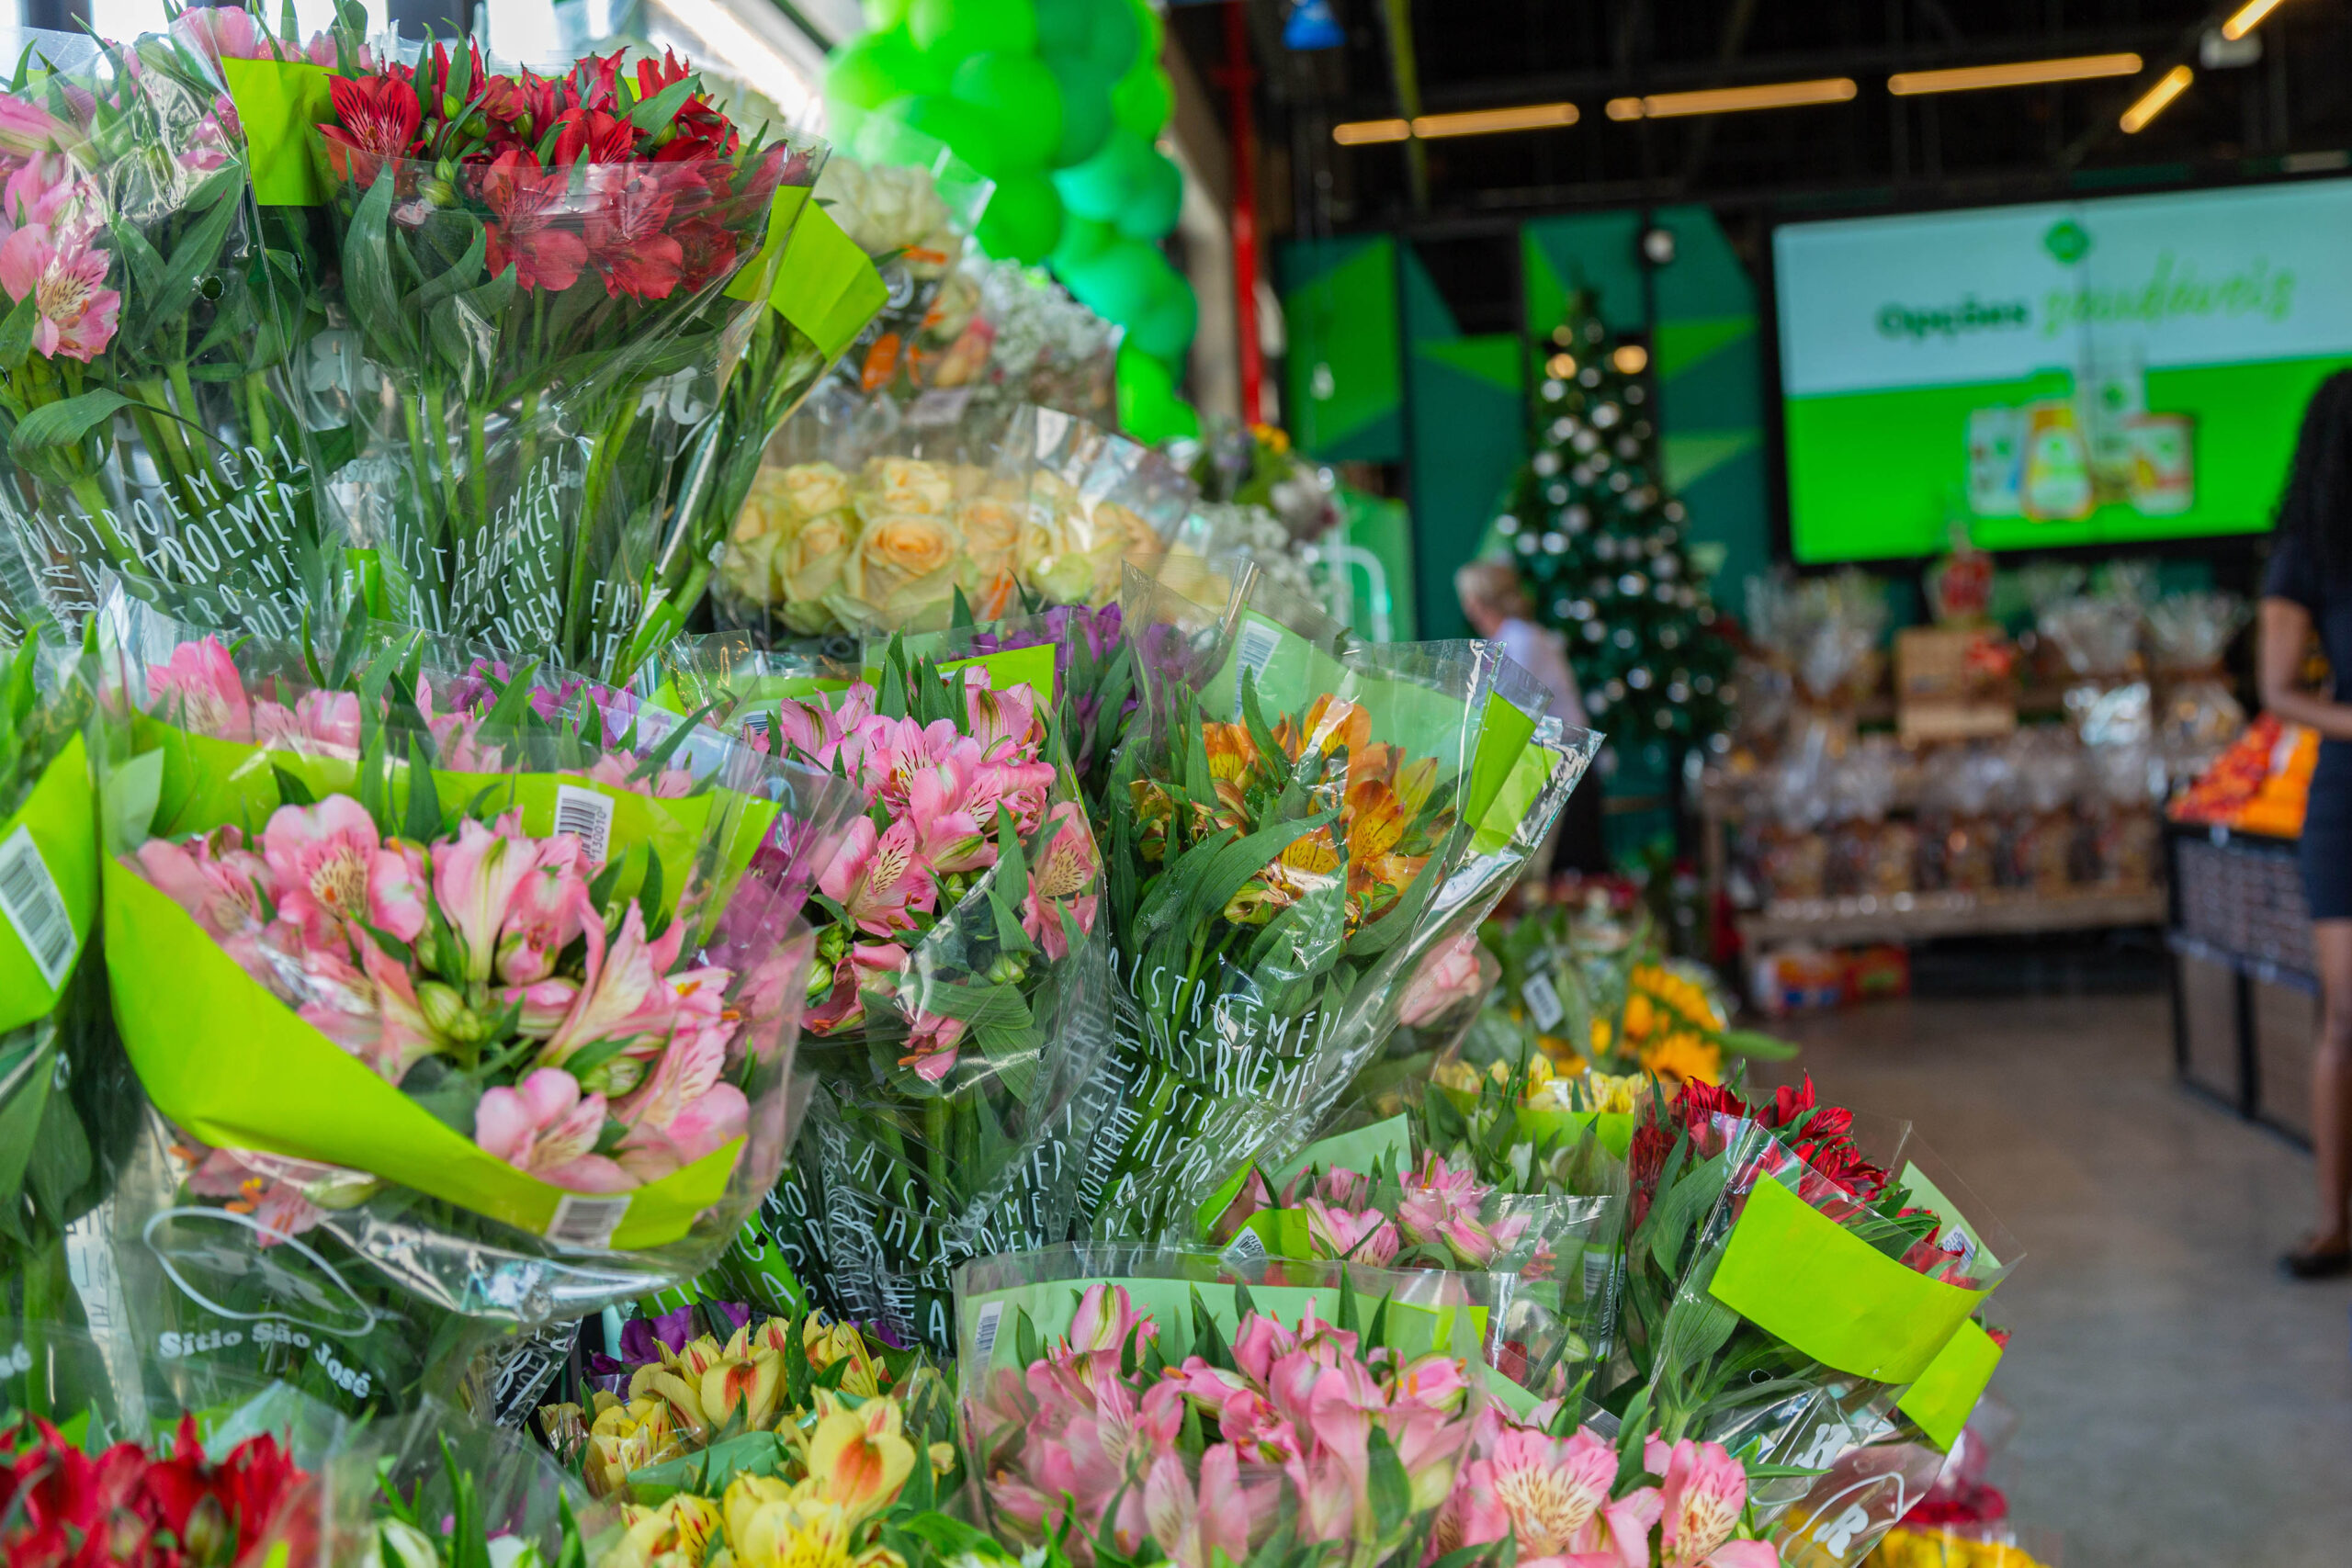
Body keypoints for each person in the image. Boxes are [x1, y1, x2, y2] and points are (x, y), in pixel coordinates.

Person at [2258, 368, 2352, 1278]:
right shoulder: (2311, 551)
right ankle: (2334, 1219)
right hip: (2346, 799)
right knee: (2346, 1015)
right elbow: (2278, 691)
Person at [1455, 559, 1605, 875]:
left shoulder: (1523, 640)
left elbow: (1510, 714)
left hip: (1565, 773)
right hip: (1548, 771)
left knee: (1569, 871)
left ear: (1478, 601)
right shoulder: (1512, 640)